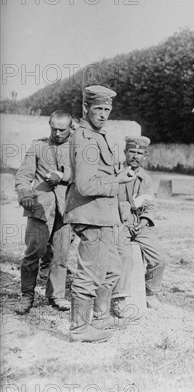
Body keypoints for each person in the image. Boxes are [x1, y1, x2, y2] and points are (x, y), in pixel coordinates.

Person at [64, 85, 136, 342]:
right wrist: (118, 181)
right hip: (90, 214)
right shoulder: (85, 138)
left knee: (111, 269)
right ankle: (80, 329)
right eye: (98, 109)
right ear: (85, 108)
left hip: (102, 215)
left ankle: (101, 318)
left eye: (107, 109)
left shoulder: (98, 135)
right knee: (90, 273)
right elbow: (85, 185)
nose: (104, 114)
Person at [14, 111, 74, 314]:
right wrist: (24, 194)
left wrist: (63, 176)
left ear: (70, 128)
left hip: (66, 209)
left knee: (61, 255)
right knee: (33, 254)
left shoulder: (77, 147)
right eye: (53, 128)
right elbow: (24, 174)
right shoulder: (38, 146)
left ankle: (56, 296)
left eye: (62, 129)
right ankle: (27, 295)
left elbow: (85, 173)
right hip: (40, 208)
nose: (57, 133)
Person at [112, 136, 167, 316]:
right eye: (132, 152)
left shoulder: (146, 179)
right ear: (125, 153)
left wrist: (142, 222)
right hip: (119, 224)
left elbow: (149, 205)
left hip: (139, 225)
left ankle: (150, 290)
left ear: (145, 155)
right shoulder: (115, 174)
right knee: (124, 256)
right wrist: (123, 220)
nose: (135, 156)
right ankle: (119, 298)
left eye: (139, 153)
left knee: (159, 258)